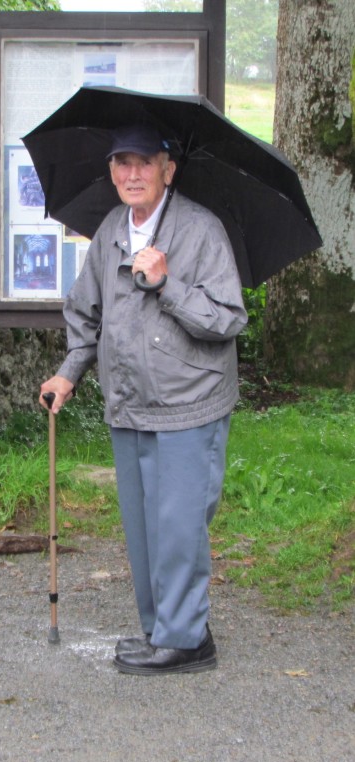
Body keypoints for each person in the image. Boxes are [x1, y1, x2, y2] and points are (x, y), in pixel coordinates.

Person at [39, 125, 247, 675]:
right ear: (111, 172)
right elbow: (86, 312)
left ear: (167, 169)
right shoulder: (112, 229)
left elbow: (227, 317)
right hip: (129, 402)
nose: (132, 175)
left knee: (178, 525)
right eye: (122, 164)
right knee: (143, 525)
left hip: (189, 402)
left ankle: (187, 638)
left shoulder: (201, 230)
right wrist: (68, 373)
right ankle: (162, 631)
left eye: (144, 163)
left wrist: (166, 284)